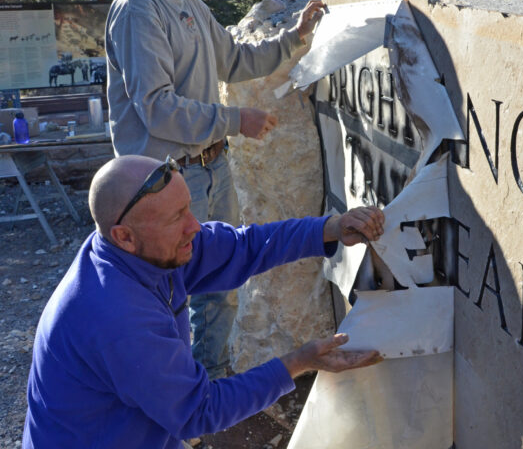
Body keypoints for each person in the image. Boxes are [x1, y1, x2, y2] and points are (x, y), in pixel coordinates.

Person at [105, 0, 326, 379]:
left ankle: (214, 384)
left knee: (221, 284)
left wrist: (296, 36)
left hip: (211, 170)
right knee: (171, 296)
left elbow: (237, 61)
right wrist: (233, 120)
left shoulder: (191, 4)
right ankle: (177, 398)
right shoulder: (138, 10)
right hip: (164, 185)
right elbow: (157, 109)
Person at [23, 155, 384, 448]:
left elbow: (244, 247)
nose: (194, 226)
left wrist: (329, 228)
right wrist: (298, 362)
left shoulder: (144, 250)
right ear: (125, 236)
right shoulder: (116, 317)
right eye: (177, 217)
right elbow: (200, 410)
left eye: (188, 208)